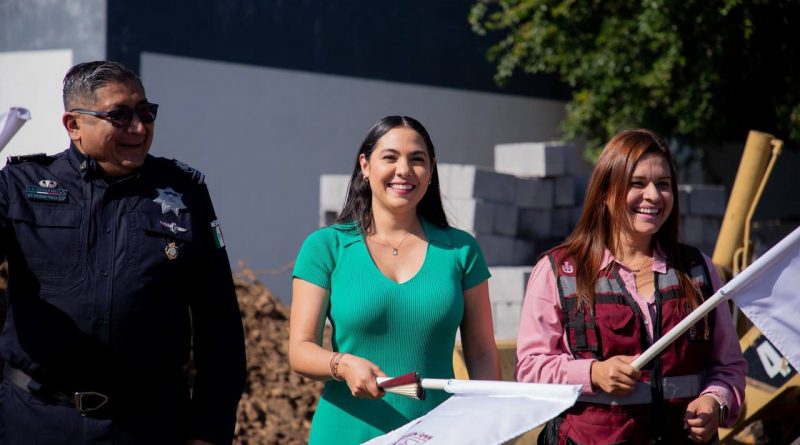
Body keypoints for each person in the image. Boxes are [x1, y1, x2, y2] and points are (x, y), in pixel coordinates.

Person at [0, 61, 246, 445]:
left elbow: (219, 320)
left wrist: (210, 430)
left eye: (146, 113)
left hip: (146, 425)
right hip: (35, 421)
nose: (139, 127)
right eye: (120, 116)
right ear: (74, 125)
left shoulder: (184, 194)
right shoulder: (20, 187)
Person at [515, 129, 746, 444]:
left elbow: (729, 366)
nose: (653, 196)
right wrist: (592, 373)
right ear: (605, 192)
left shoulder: (698, 270)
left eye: (663, 184)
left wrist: (716, 402)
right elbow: (530, 370)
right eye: (637, 183)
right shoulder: (558, 271)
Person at [289, 115, 501, 444]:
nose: (404, 170)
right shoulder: (326, 247)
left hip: (437, 436)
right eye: (390, 157)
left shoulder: (461, 250)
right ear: (365, 165)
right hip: (346, 435)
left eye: (417, 159)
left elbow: (482, 352)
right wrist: (343, 365)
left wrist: (491, 425)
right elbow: (300, 350)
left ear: (431, 169)